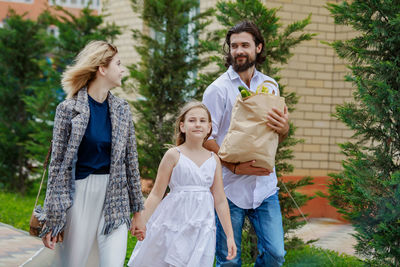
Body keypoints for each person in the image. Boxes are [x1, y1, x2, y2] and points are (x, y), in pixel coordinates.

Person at [40, 40, 145, 267]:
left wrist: (138, 210)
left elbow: (131, 163)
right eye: (118, 63)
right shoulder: (67, 109)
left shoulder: (122, 109)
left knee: (112, 263)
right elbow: (57, 166)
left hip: (114, 197)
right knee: (73, 263)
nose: (123, 69)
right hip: (79, 196)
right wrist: (52, 218)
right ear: (102, 68)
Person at [202, 21, 289, 266]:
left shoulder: (270, 87)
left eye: (245, 45)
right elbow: (205, 139)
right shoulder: (217, 90)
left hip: (264, 186)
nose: (239, 50)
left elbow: (274, 135)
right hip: (228, 188)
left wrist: (284, 129)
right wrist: (234, 167)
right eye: (234, 46)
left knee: (276, 255)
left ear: (258, 48)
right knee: (229, 260)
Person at [127, 101, 237, 267]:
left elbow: (220, 199)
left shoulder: (214, 159)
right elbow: (157, 194)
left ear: (209, 128)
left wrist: (229, 235)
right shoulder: (173, 155)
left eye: (202, 121)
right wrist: (141, 221)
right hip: (174, 222)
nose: (197, 124)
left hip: (202, 225)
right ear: (182, 126)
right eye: (192, 120)